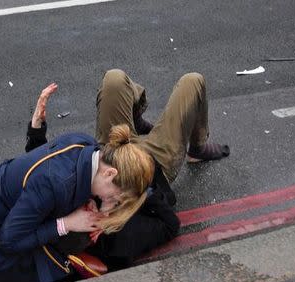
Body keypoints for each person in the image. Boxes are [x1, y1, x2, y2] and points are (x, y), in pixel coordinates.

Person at [0, 114, 155, 282]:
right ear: (110, 173)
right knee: (47, 271)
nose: (112, 202)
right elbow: (9, 240)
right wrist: (67, 223)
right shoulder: (55, 184)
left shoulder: (85, 144)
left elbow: (40, 169)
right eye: (115, 197)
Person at [26, 69, 229, 269]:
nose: (90, 207)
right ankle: (198, 146)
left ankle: (134, 120)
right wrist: (142, 188)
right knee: (193, 82)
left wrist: (36, 129)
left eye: (85, 210)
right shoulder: (121, 241)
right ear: (95, 232)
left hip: (114, 149)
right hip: (153, 163)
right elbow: (170, 225)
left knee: (114, 79)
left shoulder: (68, 200)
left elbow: (42, 172)